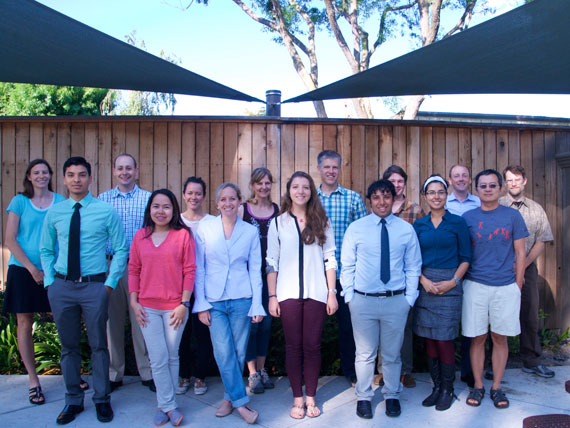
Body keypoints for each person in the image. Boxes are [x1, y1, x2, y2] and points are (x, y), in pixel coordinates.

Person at [40, 157, 128, 425]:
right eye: (70, 175)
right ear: (64, 179)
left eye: (81, 174)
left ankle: (102, 400)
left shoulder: (105, 211)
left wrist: (110, 284)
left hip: (94, 286)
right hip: (62, 287)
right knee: (68, 348)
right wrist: (50, 282)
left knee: (99, 346)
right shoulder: (55, 212)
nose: (76, 179)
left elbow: (122, 248)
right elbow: (45, 249)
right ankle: (72, 400)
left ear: (90, 178)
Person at [341, 179, 422, 419]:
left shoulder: (405, 229)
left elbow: (413, 266)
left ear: (394, 198)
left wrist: (409, 299)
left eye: (386, 196)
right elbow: (347, 266)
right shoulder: (356, 228)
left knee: (392, 354)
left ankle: (392, 395)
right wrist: (349, 297)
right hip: (362, 301)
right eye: (376, 197)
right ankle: (364, 397)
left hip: (396, 301)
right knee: (364, 354)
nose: (382, 202)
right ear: (370, 201)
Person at [266, 171, 338, 419]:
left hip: (317, 293)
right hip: (287, 294)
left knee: (312, 347)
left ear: (311, 192)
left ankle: (311, 398)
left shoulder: (322, 220)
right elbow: (271, 261)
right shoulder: (278, 222)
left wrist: (332, 293)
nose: (300, 191)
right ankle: (297, 398)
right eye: (295, 187)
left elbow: (330, 258)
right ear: (289, 191)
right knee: (293, 347)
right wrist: (272, 296)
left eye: (305, 187)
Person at [193, 183, 265, 425]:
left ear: (239, 202)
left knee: (238, 352)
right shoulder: (205, 227)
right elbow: (199, 267)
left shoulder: (249, 231)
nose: (227, 203)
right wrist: (201, 303)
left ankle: (228, 398)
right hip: (213, 300)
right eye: (223, 199)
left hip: (242, 298)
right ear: (217, 203)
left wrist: (257, 305)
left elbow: (255, 269)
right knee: (223, 352)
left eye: (232, 199)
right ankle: (242, 403)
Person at [129, 189, 197, 427]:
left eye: (166, 206)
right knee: (157, 358)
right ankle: (168, 405)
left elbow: (190, 270)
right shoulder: (140, 236)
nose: (161, 211)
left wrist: (183, 303)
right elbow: (134, 270)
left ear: (173, 210)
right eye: (156, 206)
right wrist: (133, 301)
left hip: (175, 308)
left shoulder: (183, 236)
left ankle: (164, 404)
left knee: (171, 355)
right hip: (147, 307)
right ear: (150, 209)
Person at [462, 169, 528, 409]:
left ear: (501, 189)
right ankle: (478, 385)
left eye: (492, 185)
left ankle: (497, 387)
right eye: (483, 186)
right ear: (476, 189)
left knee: (500, 338)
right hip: (475, 285)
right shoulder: (468, 218)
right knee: (477, 338)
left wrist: (518, 283)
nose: (488, 189)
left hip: (505, 286)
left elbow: (521, 252)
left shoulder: (513, 217)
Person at [2, 159, 65, 405]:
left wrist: (49, 270)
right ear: (29, 177)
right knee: (24, 322)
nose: (41, 176)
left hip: (54, 271)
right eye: (36, 172)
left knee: (63, 319)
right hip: (22, 270)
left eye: (45, 172)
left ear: (50, 175)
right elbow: (10, 239)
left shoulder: (60, 201)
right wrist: (32, 269)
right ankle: (33, 381)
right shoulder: (19, 202)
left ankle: (69, 373)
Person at [413, 175, 472, 411]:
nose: (436, 196)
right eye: (431, 192)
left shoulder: (458, 222)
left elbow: (466, 257)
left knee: (444, 339)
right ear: (425, 197)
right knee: (429, 339)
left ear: (446, 195)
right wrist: (422, 280)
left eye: (440, 192)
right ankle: (436, 387)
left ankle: (448, 389)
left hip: (450, 284)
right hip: (426, 285)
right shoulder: (419, 225)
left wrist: (453, 281)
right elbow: (412, 258)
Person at [98, 153, 154, 393]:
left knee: (142, 321)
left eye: (129, 168)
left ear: (136, 170)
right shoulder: (102, 200)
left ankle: (147, 372)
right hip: (112, 266)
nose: (124, 172)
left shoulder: (149, 199)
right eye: (120, 168)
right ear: (113, 171)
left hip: (140, 267)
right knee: (112, 321)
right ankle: (114, 373)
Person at [316, 150, 366, 386]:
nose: (331, 171)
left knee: (348, 325)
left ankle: (351, 371)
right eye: (326, 167)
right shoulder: (309, 199)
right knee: (314, 326)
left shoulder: (353, 199)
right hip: (315, 272)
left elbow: (363, 237)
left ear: (339, 169)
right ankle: (313, 371)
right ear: (319, 169)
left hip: (346, 272)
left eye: (335, 167)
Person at [499, 165, 555, 378]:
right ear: (505, 183)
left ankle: (531, 360)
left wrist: (524, 263)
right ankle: (496, 362)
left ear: (525, 181)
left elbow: (542, 239)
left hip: (528, 269)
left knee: (530, 314)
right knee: (497, 315)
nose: (513, 183)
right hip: (500, 269)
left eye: (517, 179)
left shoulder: (535, 209)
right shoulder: (498, 205)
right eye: (509, 180)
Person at [375, 165, 425, 388]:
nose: (396, 185)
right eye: (391, 181)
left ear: (405, 183)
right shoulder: (378, 208)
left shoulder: (415, 210)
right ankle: (382, 370)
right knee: (380, 326)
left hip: (406, 278)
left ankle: (405, 370)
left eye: (400, 181)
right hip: (381, 277)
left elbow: (421, 246)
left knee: (404, 326)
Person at [238, 168, 279, 394]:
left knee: (265, 325)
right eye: (259, 183)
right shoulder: (243, 210)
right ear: (252, 185)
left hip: (270, 277)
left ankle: (263, 370)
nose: (263, 187)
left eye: (267, 183)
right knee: (251, 326)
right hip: (247, 277)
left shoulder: (277, 211)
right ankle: (252, 372)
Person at [176, 176, 214, 396]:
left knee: (203, 334)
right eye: (190, 193)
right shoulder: (177, 222)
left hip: (206, 287)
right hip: (180, 287)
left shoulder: (212, 222)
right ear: (183, 195)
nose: (194, 197)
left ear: (204, 196)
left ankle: (200, 377)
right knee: (181, 334)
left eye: (198, 193)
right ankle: (184, 376)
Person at [445, 164, 481, 388]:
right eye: (456, 176)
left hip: (474, 269)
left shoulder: (479, 203)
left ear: (469, 180)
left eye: (464, 176)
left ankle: (469, 371)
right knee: (448, 322)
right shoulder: (442, 202)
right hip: (448, 268)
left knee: (472, 322)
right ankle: (446, 372)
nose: (460, 179)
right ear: (450, 180)